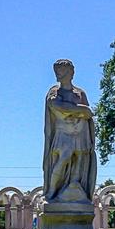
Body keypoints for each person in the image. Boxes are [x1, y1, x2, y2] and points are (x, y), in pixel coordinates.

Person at [43, 59, 96, 204]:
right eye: (57, 72)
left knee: (79, 159)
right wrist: (80, 110)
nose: (59, 75)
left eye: (62, 71)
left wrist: (92, 138)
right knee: (64, 157)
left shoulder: (80, 93)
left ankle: (74, 187)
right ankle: (52, 192)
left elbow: (90, 117)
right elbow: (56, 106)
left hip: (81, 132)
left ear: (71, 72)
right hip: (63, 133)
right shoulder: (54, 92)